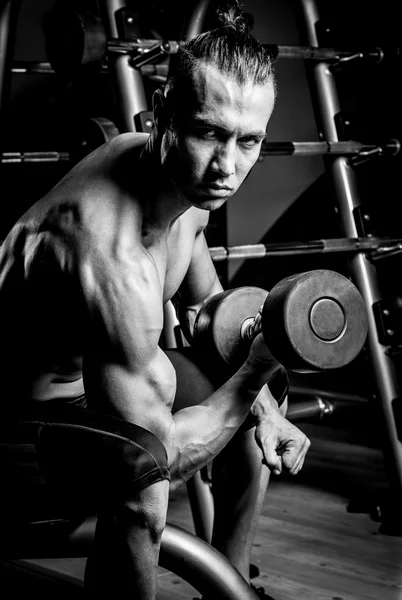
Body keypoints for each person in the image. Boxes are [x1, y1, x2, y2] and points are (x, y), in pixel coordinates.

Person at [0, 3, 310, 599]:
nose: (227, 166)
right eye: (209, 133)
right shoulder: (108, 254)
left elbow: (210, 313)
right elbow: (153, 456)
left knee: (251, 389)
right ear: (164, 112)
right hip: (19, 435)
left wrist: (266, 407)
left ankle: (232, 582)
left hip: (97, 385)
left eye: (249, 141)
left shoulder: (180, 182)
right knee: (142, 488)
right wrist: (257, 372)